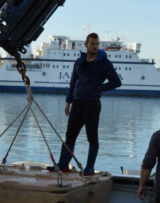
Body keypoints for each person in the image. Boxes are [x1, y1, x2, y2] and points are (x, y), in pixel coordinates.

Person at [47, 32, 121, 176]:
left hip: (92, 103)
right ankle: (63, 165)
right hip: (77, 103)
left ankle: (89, 167)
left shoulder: (104, 62)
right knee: (70, 136)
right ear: (86, 45)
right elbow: (73, 82)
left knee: (92, 136)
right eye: (92, 44)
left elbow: (116, 82)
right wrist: (68, 102)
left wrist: (100, 88)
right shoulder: (79, 61)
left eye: (97, 44)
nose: (95, 46)